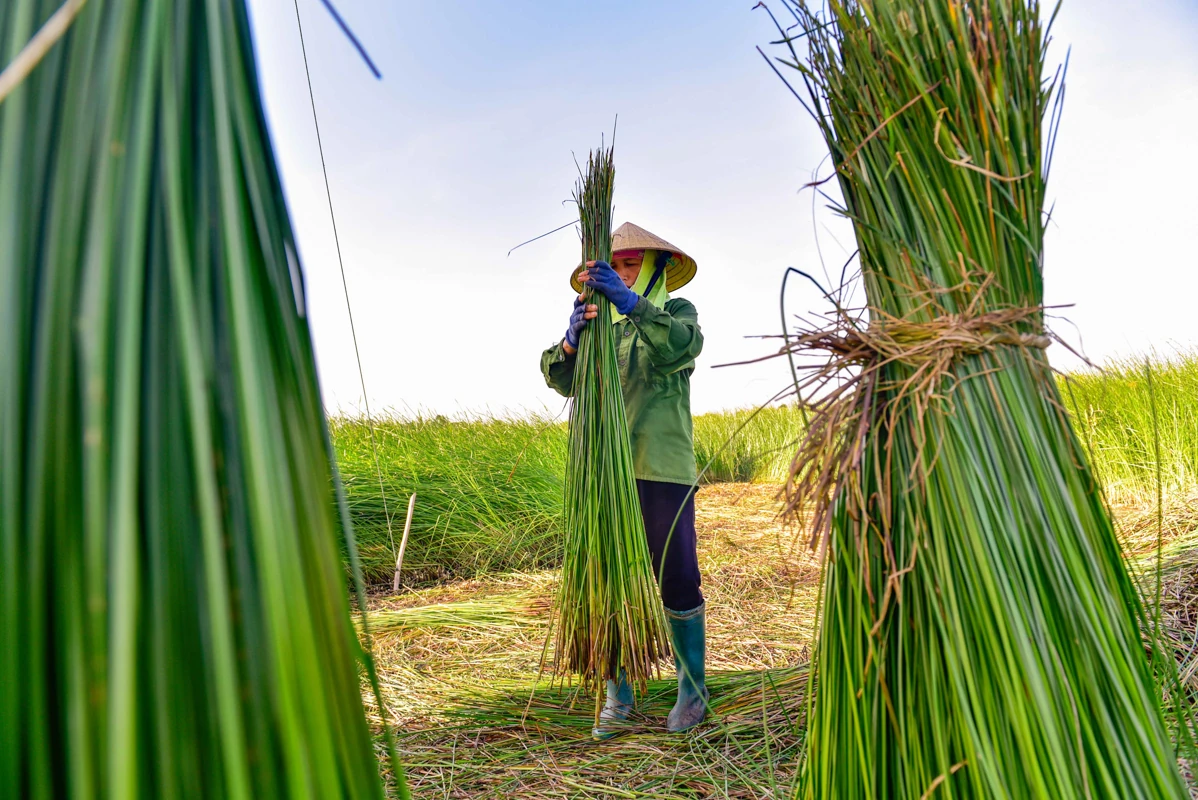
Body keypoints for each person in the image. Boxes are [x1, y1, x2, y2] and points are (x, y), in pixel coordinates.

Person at [539, 222, 706, 739]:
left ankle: (692, 690)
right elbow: (559, 378)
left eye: (631, 263)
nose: (622, 271)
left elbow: (679, 349)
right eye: (614, 264)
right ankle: (619, 693)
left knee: (676, 576)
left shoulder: (676, 314)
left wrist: (632, 304)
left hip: (660, 464)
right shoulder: (596, 326)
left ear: (656, 266)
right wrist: (570, 342)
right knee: (608, 576)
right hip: (601, 470)